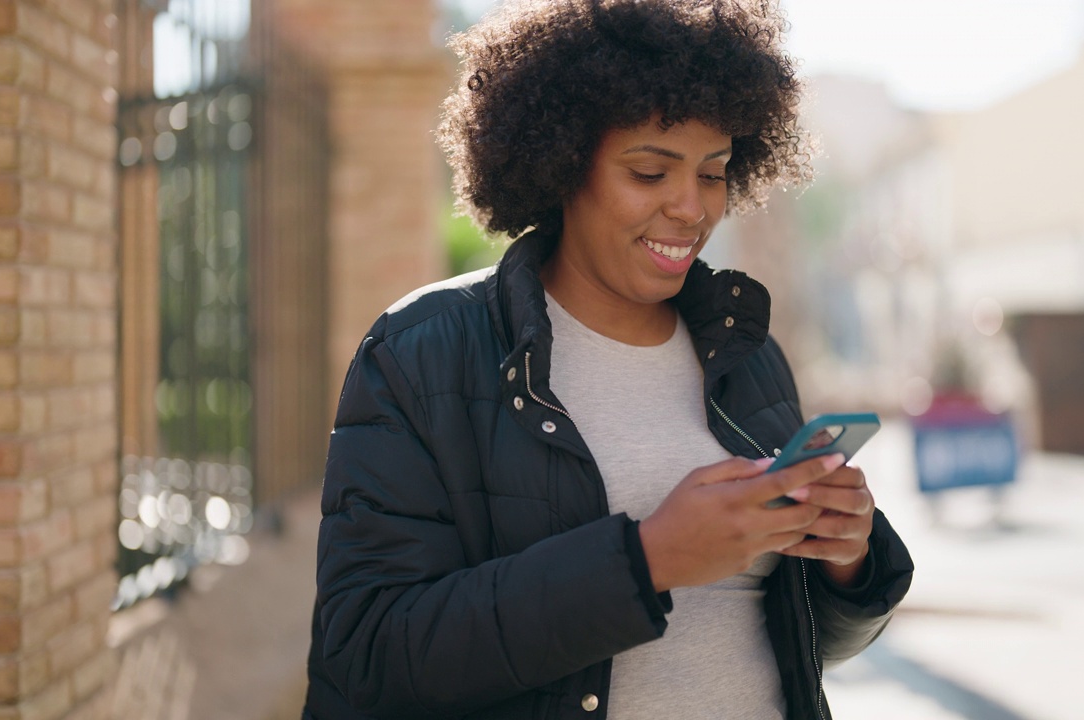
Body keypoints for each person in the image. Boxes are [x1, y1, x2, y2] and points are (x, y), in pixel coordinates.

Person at [302, 1, 913, 718]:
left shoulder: (746, 354)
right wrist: (646, 560)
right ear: (561, 167)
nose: (691, 208)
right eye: (650, 172)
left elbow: (801, 644)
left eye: (713, 172)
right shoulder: (422, 352)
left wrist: (846, 560)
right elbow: (368, 654)